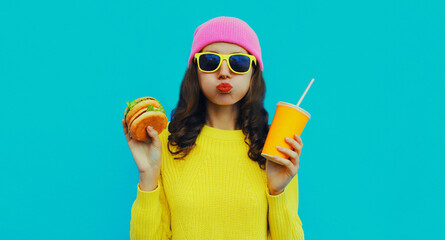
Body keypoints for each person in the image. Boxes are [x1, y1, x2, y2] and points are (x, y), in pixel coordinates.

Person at [122, 16, 305, 240]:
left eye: (238, 62)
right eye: (210, 61)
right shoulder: (165, 141)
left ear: (253, 72)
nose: (224, 72)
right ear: (195, 71)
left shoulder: (275, 145)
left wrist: (277, 192)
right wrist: (148, 177)